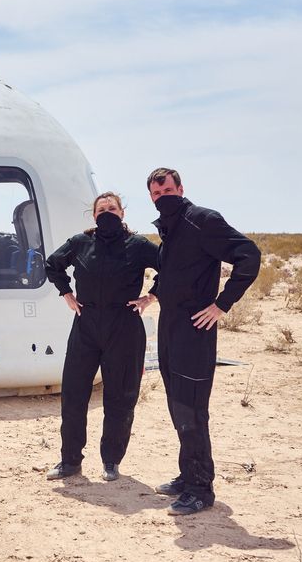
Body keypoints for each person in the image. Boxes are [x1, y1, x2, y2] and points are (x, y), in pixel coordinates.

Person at [145, 167, 260, 515]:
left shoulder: (201, 220)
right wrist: (153, 295)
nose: (160, 197)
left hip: (195, 328)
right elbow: (175, 271)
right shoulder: (171, 228)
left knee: (192, 406)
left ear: (180, 188)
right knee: (177, 404)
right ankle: (187, 474)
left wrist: (222, 305)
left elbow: (249, 256)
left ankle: (200, 489)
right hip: (170, 326)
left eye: (166, 189)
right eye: (154, 193)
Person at [43, 192, 159, 482]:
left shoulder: (138, 245)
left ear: (122, 213)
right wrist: (66, 292)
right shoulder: (81, 243)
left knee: (120, 397)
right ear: (94, 216)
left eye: (112, 208)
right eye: (101, 209)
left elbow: (169, 268)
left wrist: (151, 296)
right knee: (73, 394)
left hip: (125, 326)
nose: (107, 212)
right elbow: (53, 264)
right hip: (87, 324)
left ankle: (111, 461)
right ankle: (70, 461)